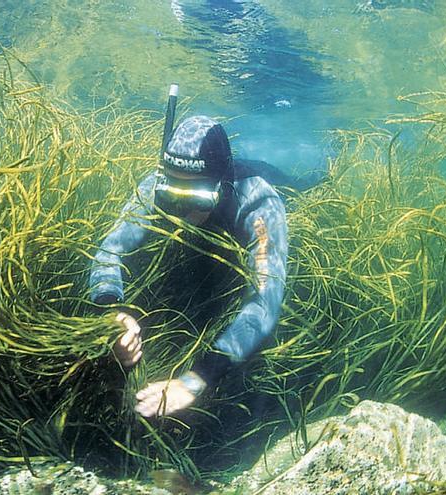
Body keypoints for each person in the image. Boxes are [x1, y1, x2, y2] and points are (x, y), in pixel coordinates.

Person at [88, 85, 313, 418]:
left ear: (220, 189)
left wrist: (197, 379)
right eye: (170, 198)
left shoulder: (259, 202)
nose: (180, 212)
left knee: (308, 184)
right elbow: (110, 250)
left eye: (194, 199)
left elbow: (265, 300)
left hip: (281, 188)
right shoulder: (155, 184)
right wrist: (112, 312)